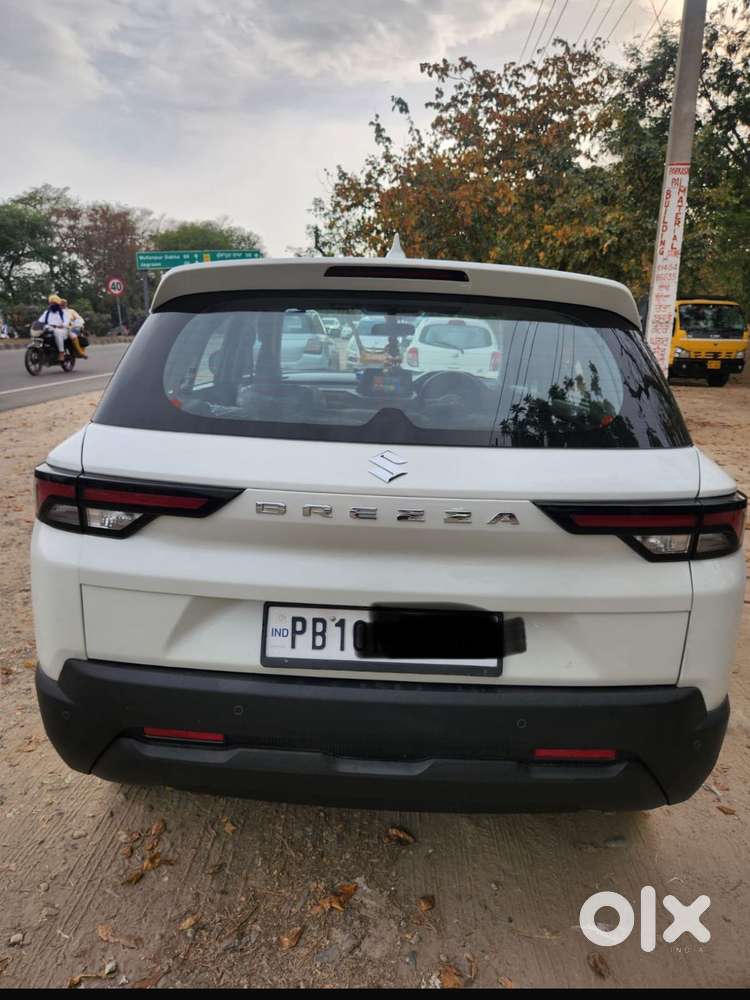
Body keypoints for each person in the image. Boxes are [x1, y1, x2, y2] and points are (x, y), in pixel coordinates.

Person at [37, 295, 68, 362]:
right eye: (51, 303)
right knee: (39, 334)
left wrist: (62, 325)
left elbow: (66, 321)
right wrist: (36, 324)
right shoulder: (47, 312)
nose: (52, 305)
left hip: (61, 330)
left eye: (53, 303)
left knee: (57, 332)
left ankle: (61, 352)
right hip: (49, 329)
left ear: (57, 304)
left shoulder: (63, 312)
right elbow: (40, 321)